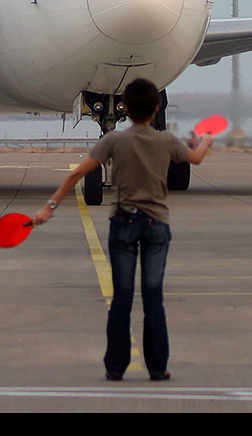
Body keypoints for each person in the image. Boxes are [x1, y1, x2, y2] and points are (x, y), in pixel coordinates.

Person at [32, 78, 213, 381]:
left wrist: (49, 208)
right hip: (157, 225)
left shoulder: (113, 140)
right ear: (156, 109)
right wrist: (204, 142)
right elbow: (194, 158)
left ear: (126, 109)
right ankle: (157, 367)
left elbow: (78, 173)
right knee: (154, 296)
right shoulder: (167, 140)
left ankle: (116, 367)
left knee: (122, 297)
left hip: (125, 223)